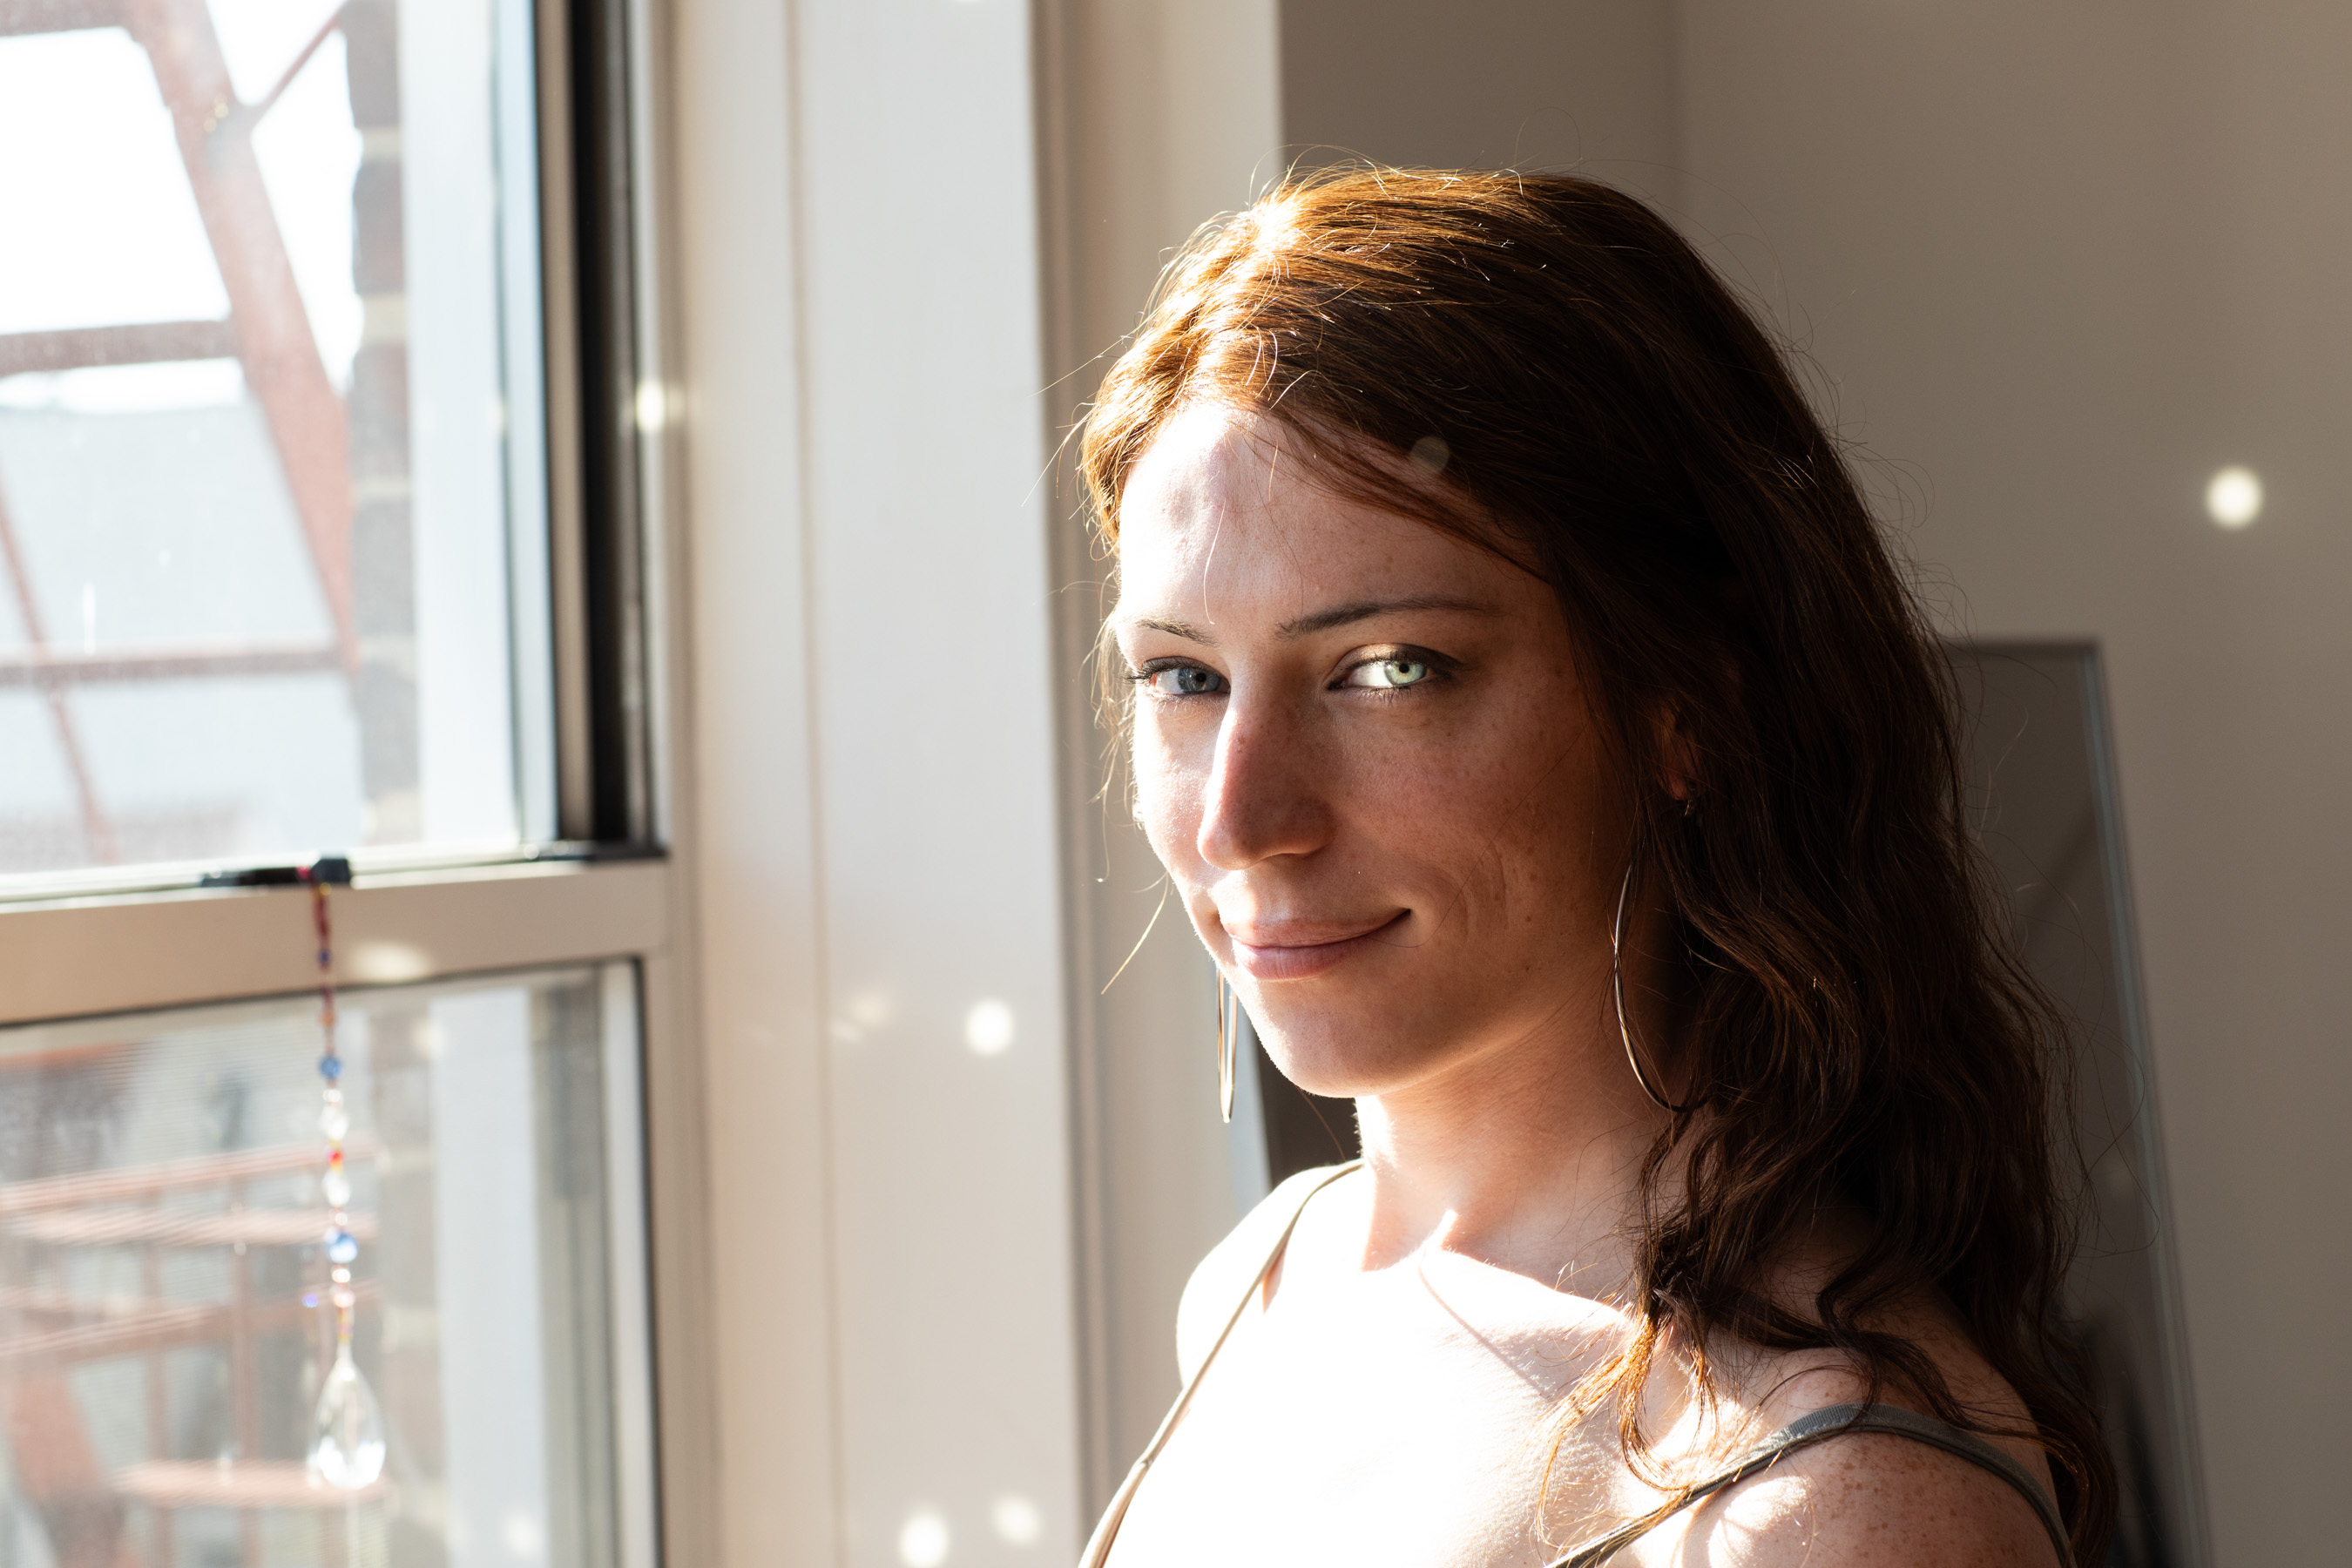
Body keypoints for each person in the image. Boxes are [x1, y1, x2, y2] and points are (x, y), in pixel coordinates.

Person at [1073, 169, 2111, 1567]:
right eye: (1185, 676)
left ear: (1691, 702)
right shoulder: (1268, 1277)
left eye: (1390, 670)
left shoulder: (1829, 1511)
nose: (1241, 820)